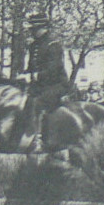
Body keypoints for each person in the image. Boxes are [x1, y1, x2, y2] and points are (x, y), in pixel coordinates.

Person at [24, 13, 72, 148]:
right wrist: (24, 75)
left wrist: (33, 76)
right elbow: (31, 67)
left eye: (34, 29)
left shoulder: (53, 45)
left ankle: (38, 139)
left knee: (37, 102)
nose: (31, 32)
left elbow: (53, 70)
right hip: (40, 85)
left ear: (43, 28)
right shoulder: (34, 46)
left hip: (57, 85)